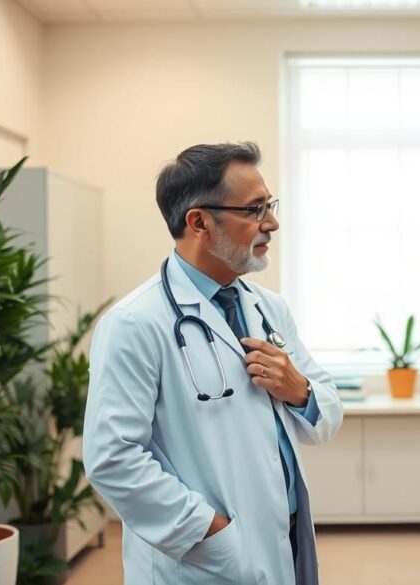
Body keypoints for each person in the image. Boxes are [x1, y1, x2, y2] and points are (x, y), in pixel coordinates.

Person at [83, 142, 344, 585]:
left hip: (283, 537)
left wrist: (298, 390)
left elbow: (328, 414)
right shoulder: (134, 323)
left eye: (270, 205)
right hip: (203, 559)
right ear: (199, 222)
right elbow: (113, 458)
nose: (272, 222)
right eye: (254, 209)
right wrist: (210, 533)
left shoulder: (269, 309)